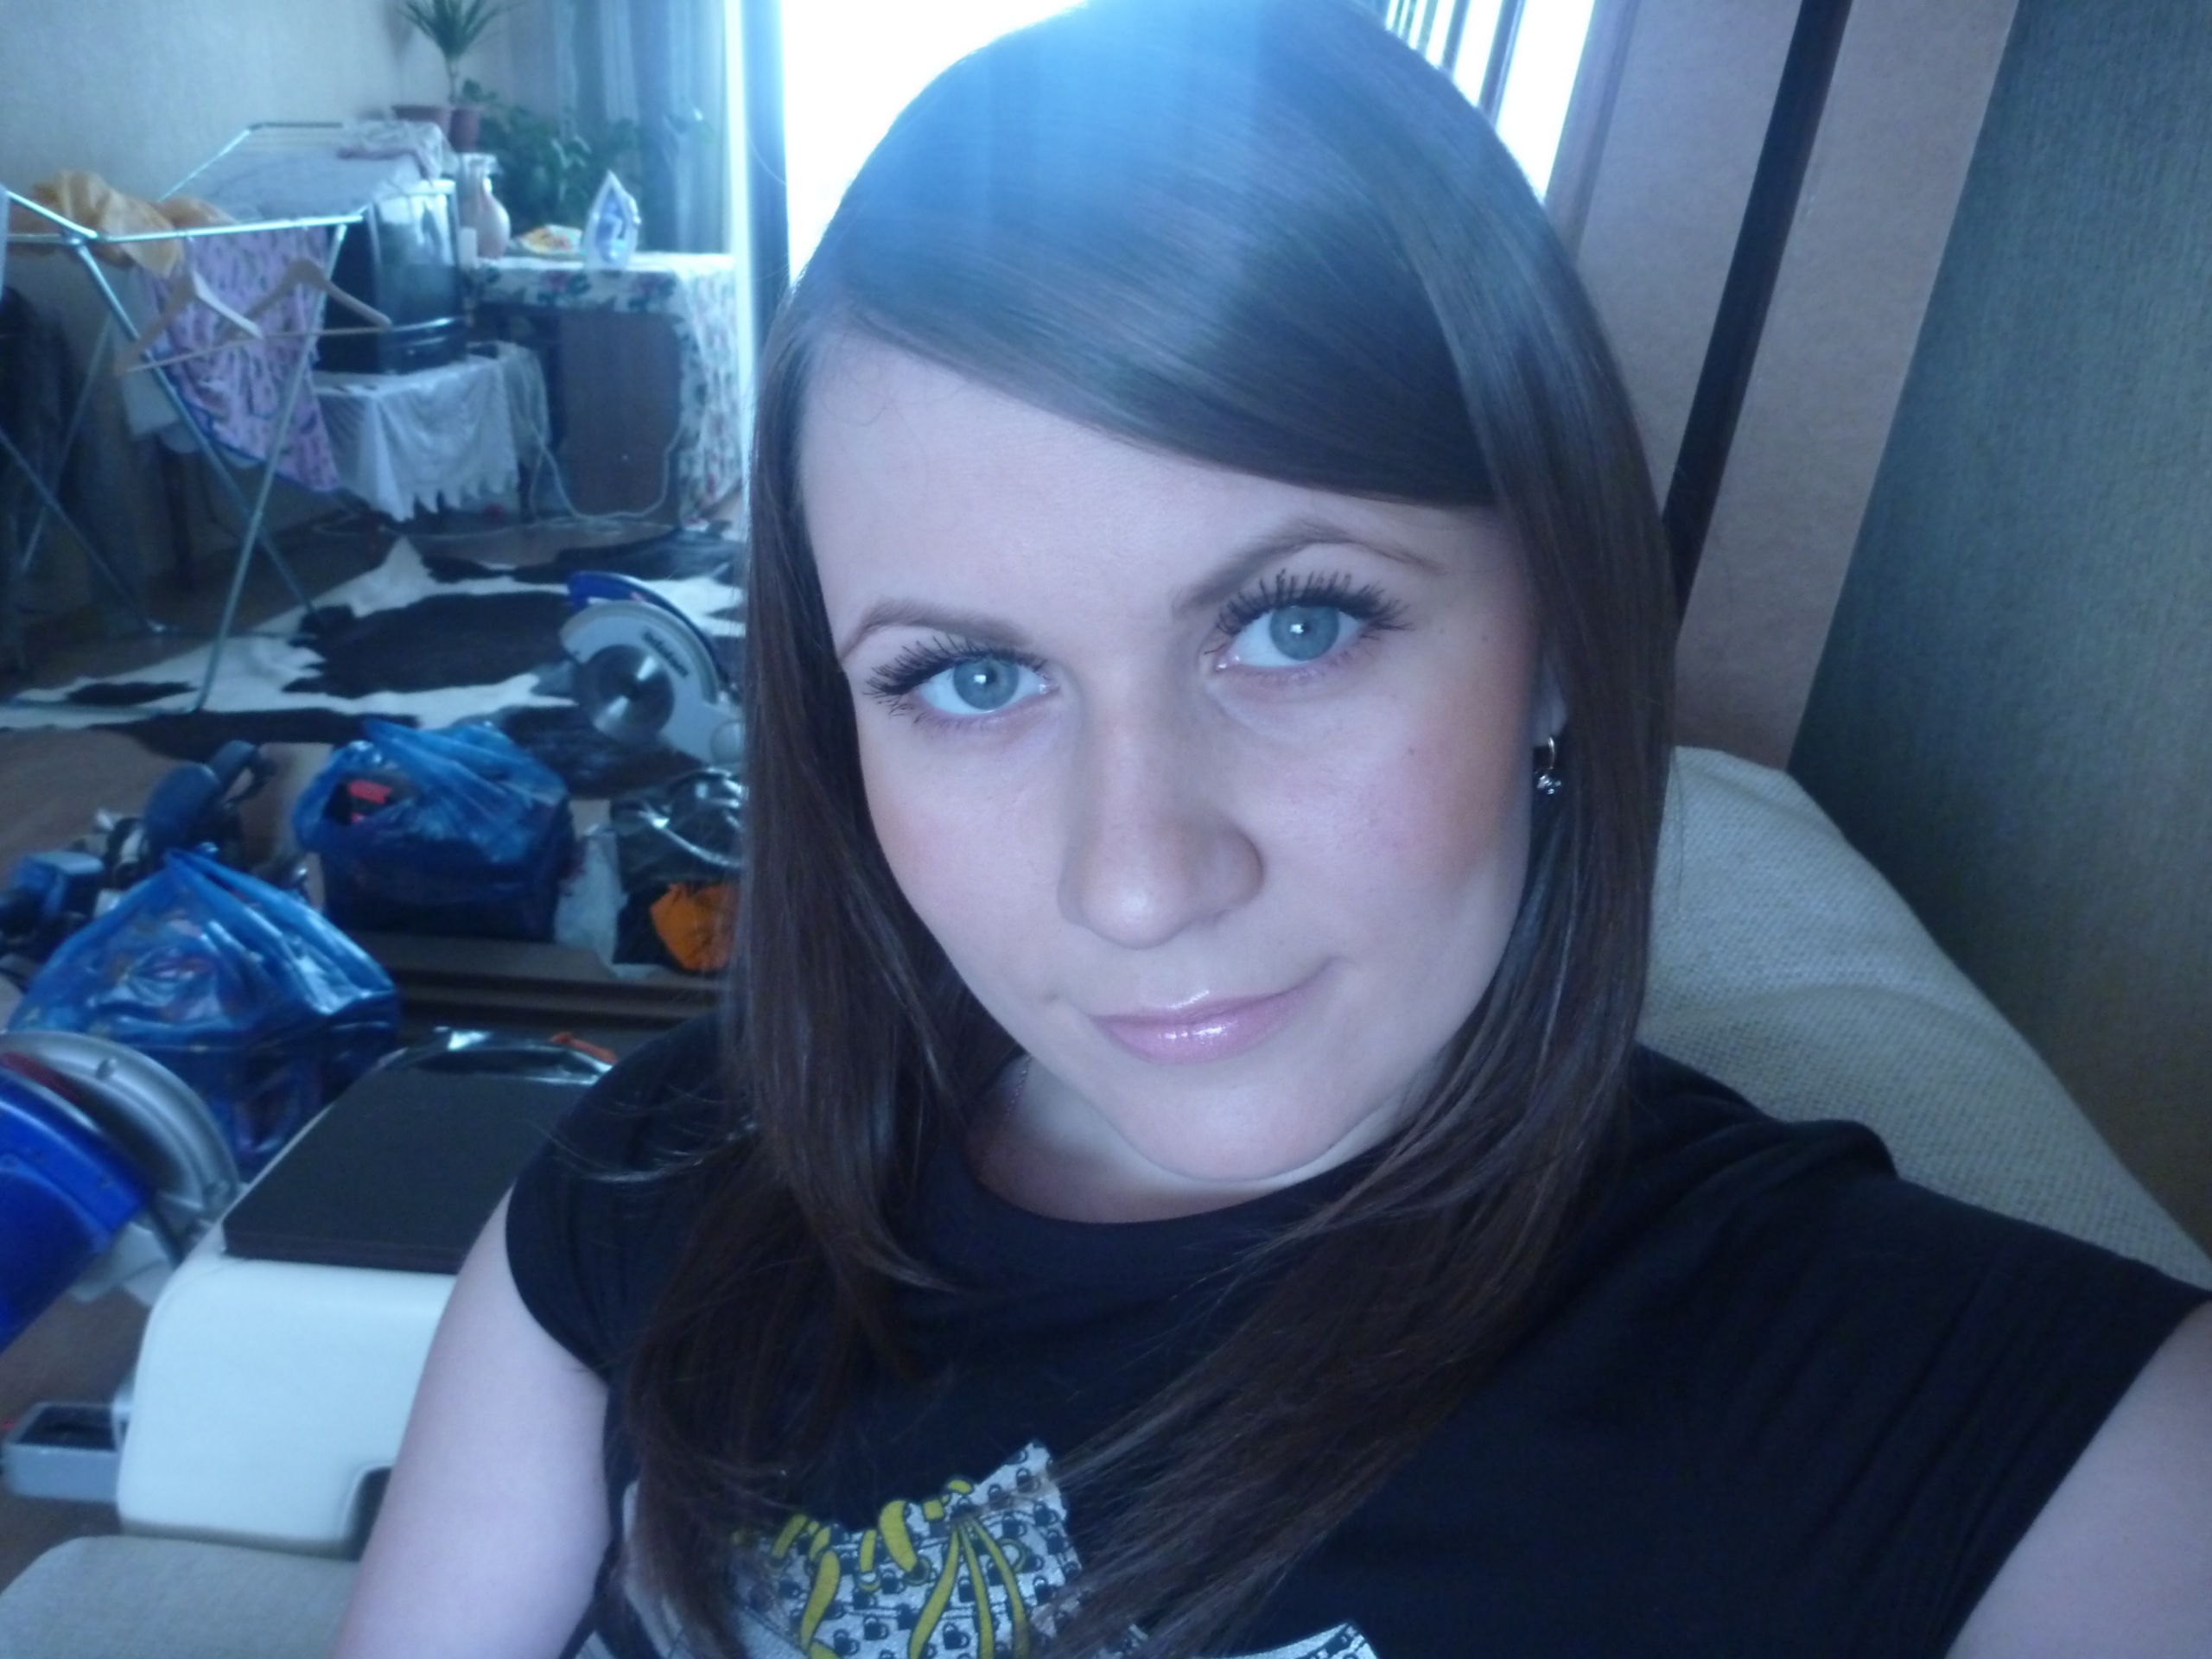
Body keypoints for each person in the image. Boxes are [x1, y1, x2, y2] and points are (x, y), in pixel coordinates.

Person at [334, 3, 2212, 1655]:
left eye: (1296, 626)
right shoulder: (665, 1176)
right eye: (970, 677)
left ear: (1562, 640)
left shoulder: (1920, 1401)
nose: (1139, 882)